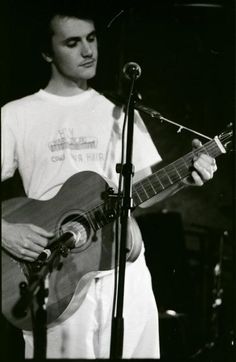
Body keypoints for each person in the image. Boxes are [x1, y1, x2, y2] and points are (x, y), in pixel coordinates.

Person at [1, 1, 217, 359]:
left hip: (125, 278)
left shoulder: (120, 112)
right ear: (46, 52)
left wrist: (186, 179)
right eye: (72, 43)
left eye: (91, 38)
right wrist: (5, 230)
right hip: (56, 282)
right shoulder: (16, 115)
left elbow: (143, 191)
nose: (88, 51)